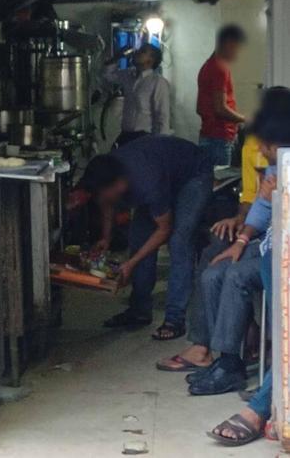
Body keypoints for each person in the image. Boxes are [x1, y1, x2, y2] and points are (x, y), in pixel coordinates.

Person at [156, 88, 288, 374]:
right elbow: (254, 201)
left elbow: (271, 205)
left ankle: (236, 351)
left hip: (275, 237)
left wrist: (280, 197)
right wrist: (239, 228)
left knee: (235, 272)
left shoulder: (281, 155)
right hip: (257, 228)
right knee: (214, 256)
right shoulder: (259, 147)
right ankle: (206, 348)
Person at [207, 108, 290, 446]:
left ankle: (259, 408)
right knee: (221, 270)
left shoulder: (282, 164)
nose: (262, 151)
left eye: (264, 145)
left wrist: (279, 197)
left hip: (284, 256)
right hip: (275, 252)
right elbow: (262, 208)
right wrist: (241, 241)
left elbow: (273, 206)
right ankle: (227, 361)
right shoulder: (277, 166)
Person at [82, 135, 213, 340]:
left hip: (193, 174)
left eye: (109, 194)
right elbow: (106, 201)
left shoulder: (146, 182)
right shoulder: (109, 171)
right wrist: (105, 238)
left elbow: (164, 229)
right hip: (164, 169)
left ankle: (174, 319)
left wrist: (131, 263)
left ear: (119, 184)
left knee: (180, 241)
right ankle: (139, 311)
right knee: (139, 238)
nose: (106, 199)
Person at [196, 24, 247, 165]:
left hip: (207, 135)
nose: (236, 52)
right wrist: (244, 119)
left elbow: (200, 108)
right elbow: (220, 108)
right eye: (236, 47)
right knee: (222, 183)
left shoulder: (206, 67)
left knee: (209, 181)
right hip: (220, 138)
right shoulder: (220, 68)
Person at [104, 43, 171, 148]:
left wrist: (160, 145)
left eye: (143, 51)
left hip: (145, 138)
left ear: (151, 60)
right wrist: (117, 57)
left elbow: (162, 116)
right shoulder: (129, 75)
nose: (137, 53)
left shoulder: (157, 82)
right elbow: (108, 76)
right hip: (126, 135)